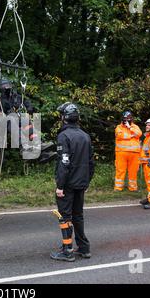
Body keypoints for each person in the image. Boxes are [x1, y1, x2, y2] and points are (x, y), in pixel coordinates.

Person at [50, 102, 95, 262]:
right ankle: (84, 248)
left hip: (68, 184)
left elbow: (64, 162)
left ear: (64, 118)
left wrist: (60, 186)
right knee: (78, 216)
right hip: (81, 183)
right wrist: (87, 182)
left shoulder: (64, 136)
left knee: (64, 216)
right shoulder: (85, 135)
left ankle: (67, 250)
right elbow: (91, 163)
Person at [114, 111, 142, 192]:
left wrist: (130, 127)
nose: (127, 120)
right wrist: (131, 136)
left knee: (133, 171)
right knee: (120, 170)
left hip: (134, 153)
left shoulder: (135, 127)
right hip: (121, 152)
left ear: (131, 119)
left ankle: (133, 188)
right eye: (125, 118)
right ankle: (118, 188)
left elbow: (139, 134)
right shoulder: (118, 127)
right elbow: (119, 135)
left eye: (128, 118)